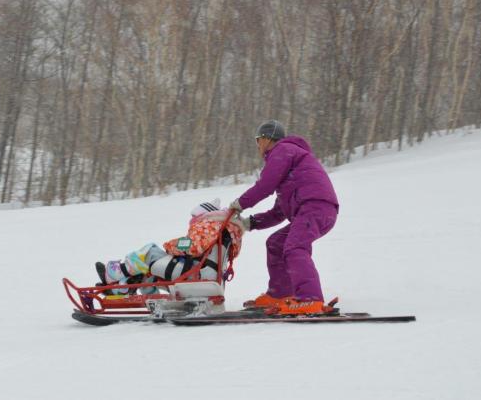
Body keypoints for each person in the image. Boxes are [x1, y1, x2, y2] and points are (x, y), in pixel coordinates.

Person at [229, 120, 339, 315]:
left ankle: (310, 299)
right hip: (316, 209)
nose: (257, 145)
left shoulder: (283, 150)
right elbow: (279, 212)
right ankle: (279, 294)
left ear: (266, 138)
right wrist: (249, 223)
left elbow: (265, 186)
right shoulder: (290, 163)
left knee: (295, 246)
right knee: (276, 242)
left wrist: (238, 205)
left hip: (314, 207)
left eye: (258, 140)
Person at [96, 200, 244, 294]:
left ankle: (114, 274)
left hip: (194, 274)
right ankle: (125, 289)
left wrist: (170, 245)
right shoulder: (223, 232)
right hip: (206, 273)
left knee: (150, 252)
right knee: (148, 268)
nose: (192, 222)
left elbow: (193, 245)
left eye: (193, 218)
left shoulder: (208, 225)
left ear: (202, 215)